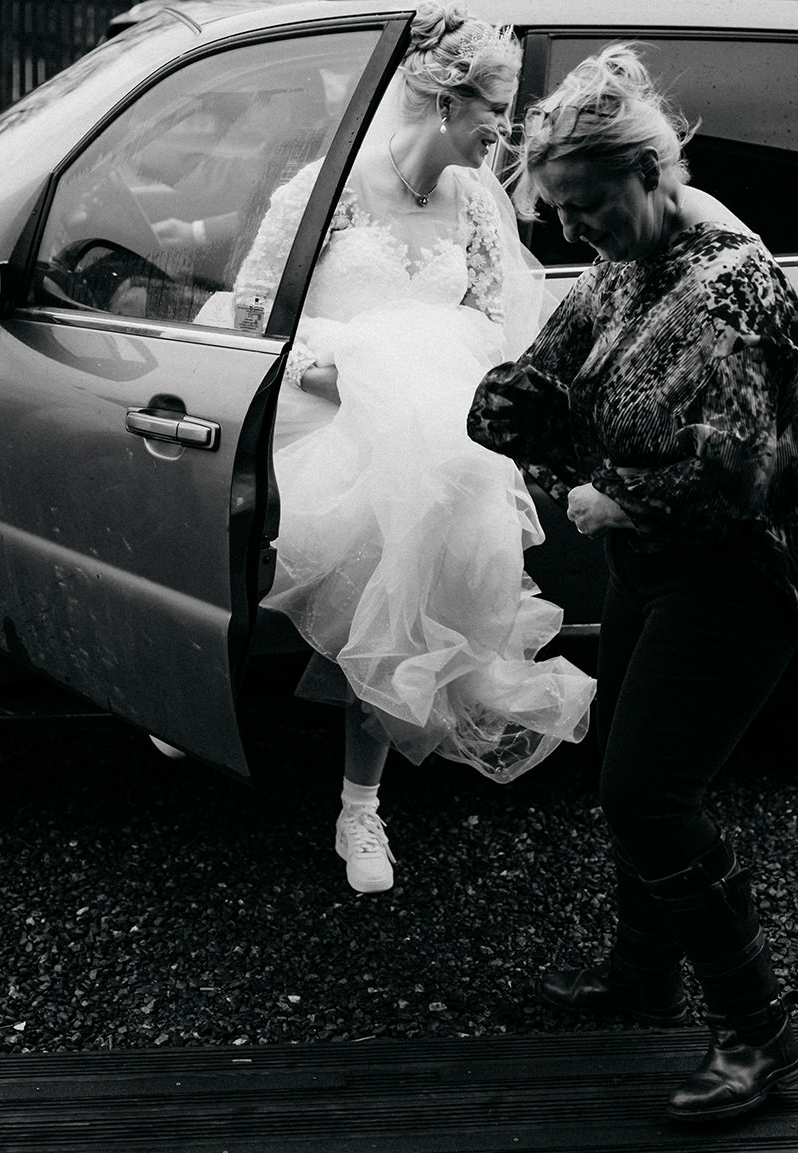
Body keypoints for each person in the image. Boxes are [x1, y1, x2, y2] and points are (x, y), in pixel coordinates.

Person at [467, 45, 798, 1122]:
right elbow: (528, 384)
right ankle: (640, 979)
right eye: (558, 215)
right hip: (659, 568)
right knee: (622, 772)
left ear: (649, 175)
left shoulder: (734, 291)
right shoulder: (627, 260)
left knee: (649, 791)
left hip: (744, 574)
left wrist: (612, 498)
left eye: (585, 209)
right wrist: (539, 442)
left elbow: (763, 474)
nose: (573, 233)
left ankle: (759, 1037)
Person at [229, 1, 595, 895]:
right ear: (442, 102)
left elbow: (495, 316)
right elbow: (250, 311)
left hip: (438, 447)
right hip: (328, 424)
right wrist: (334, 369)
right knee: (304, 592)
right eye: (492, 115)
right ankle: (178, 692)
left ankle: (361, 805)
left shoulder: (475, 204)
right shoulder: (325, 190)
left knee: (406, 601)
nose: (502, 136)